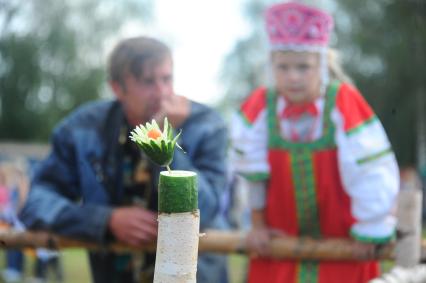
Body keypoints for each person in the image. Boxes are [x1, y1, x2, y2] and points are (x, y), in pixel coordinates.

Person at [19, 36, 229, 283]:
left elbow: (209, 205)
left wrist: (163, 139)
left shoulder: (207, 125)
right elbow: (37, 203)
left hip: (195, 275)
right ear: (117, 88)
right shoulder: (82, 128)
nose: (162, 92)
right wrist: (105, 220)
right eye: (148, 82)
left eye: (167, 79)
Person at [230, 1, 399, 283]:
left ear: (322, 64)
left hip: (344, 252)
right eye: (283, 67)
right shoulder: (260, 107)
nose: (293, 76)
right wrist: (257, 226)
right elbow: (252, 173)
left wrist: (370, 228)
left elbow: (370, 170)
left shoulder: (343, 103)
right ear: (272, 66)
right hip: (279, 250)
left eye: (303, 67)